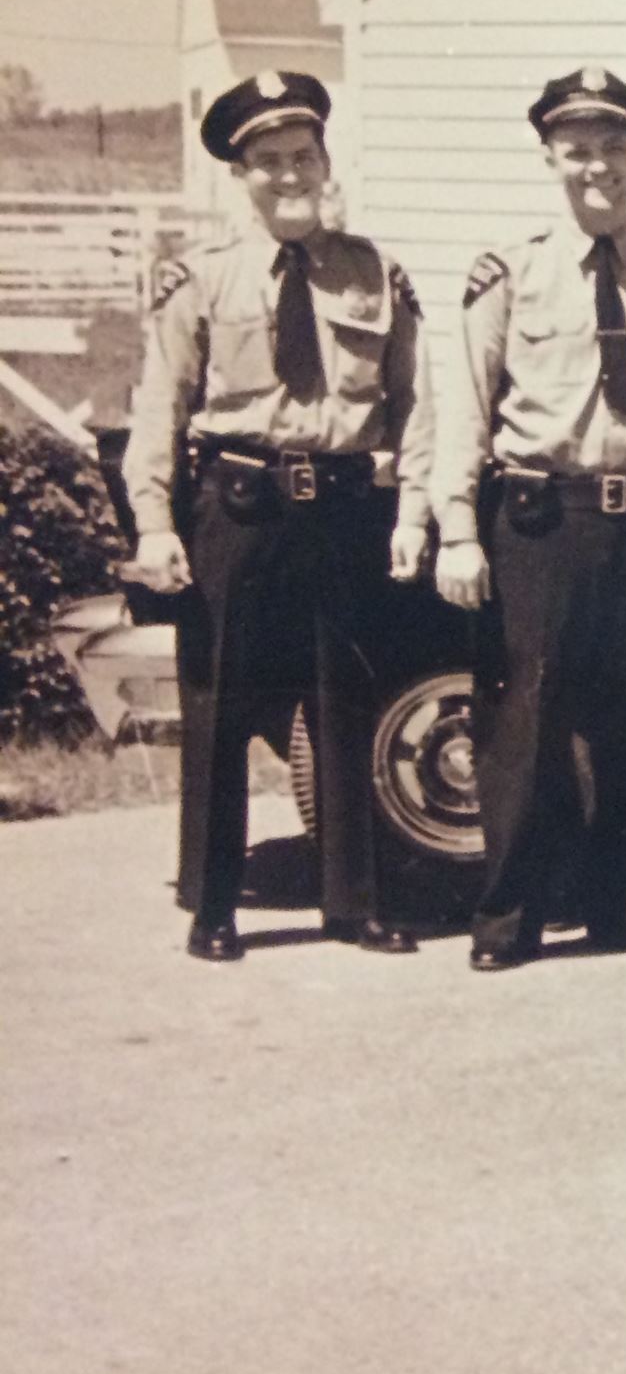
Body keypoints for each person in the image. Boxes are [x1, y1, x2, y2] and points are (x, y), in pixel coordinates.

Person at [124, 70, 432, 961]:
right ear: (241, 174)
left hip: (340, 509)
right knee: (222, 704)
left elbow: (417, 403)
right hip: (240, 507)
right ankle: (214, 906)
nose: (290, 174)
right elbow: (161, 409)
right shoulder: (200, 280)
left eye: (304, 155)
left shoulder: (374, 271)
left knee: (346, 702)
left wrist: (413, 510)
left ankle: (354, 904)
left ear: (326, 161)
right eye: (268, 161)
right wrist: (154, 522)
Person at [431, 66, 626, 972]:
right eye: (577, 148)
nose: (596, 164)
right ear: (551, 158)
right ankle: (508, 920)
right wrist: (455, 526)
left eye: (613, 145)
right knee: (524, 727)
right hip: (540, 523)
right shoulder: (508, 276)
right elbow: (466, 408)